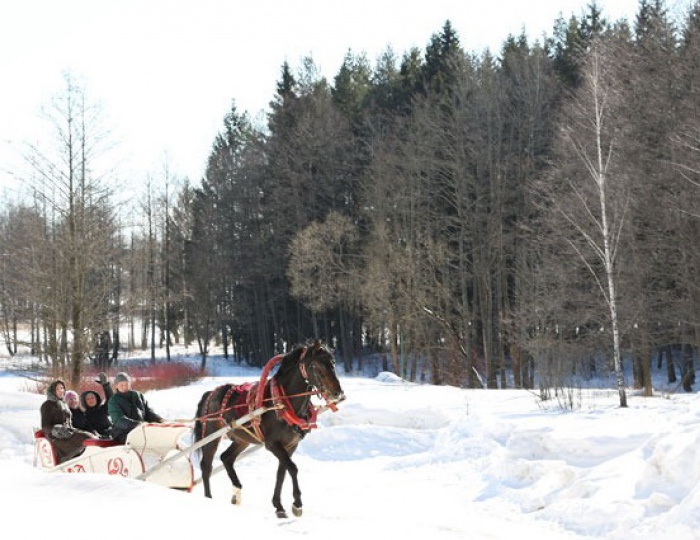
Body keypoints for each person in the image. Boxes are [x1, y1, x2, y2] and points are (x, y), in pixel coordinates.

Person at [40, 379, 97, 463]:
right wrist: (56, 429)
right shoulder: (47, 405)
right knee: (85, 437)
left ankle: (80, 459)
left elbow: (68, 424)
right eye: (58, 389)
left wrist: (74, 430)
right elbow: (45, 426)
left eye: (62, 388)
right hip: (56, 437)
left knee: (89, 436)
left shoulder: (64, 404)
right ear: (52, 391)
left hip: (68, 433)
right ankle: (63, 457)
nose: (61, 391)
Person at [108, 371, 164, 444]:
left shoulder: (137, 395)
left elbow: (148, 412)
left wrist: (159, 420)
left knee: (158, 435)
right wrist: (137, 425)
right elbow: (119, 420)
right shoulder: (113, 400)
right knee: (141, 440)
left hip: (142, 429)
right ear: (116, 386)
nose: (125, 387)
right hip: (123, 432)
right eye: (122, 385)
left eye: (126, 384)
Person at [79, 372, 114, 438]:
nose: (91, 400)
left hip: (112, 434)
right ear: (84, 402)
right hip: (97, 439)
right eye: (88, 399)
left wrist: (106, 385)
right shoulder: (84, 415)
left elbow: (111, 399)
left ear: (96, 399)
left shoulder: (103, 409)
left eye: (92, 397)